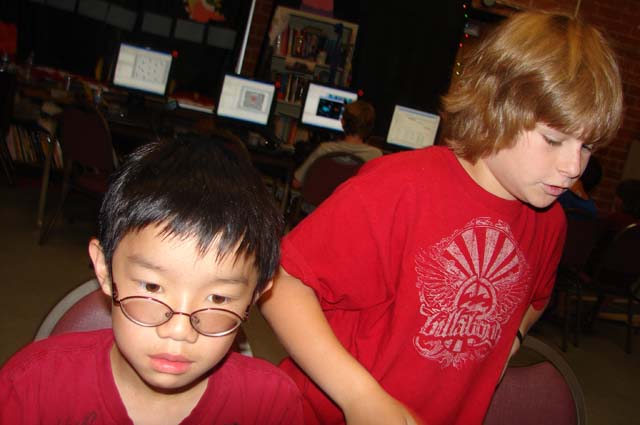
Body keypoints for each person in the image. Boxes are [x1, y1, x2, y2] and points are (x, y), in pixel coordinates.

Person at [260, 11, 623, 425]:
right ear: (497, 108)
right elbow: (283, 283)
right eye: (553, 139)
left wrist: (511, 339)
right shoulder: (401, 188)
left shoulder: (550, 221)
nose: (574, 167)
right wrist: (358, 395)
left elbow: (536, 298)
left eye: (587, 146)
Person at [0, 133, 304, 424]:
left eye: (218, 298)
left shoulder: (271, 406)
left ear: (256, 294)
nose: (179, 332)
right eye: (153, 287)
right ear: (104, 269)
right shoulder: (31, 386)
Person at [292, 99, 382, 188]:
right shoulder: (375, 156)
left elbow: (296, 183)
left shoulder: (325, 149)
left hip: (325, 198)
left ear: (342, 122)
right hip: (352, 198)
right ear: (370, 127)